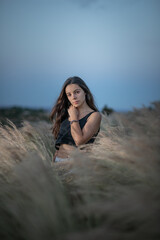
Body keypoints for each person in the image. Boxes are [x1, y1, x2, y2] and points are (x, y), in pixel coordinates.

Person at [50, 76, 102, 162]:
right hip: (58, 161)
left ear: (85, 92)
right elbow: (63, 139)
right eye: (69, 95)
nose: (73, 97)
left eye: (77, 92)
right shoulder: (67, 113)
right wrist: (57, 153)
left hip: (76, 164)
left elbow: (79, 141)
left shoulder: (94, 116)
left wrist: (74, 117)